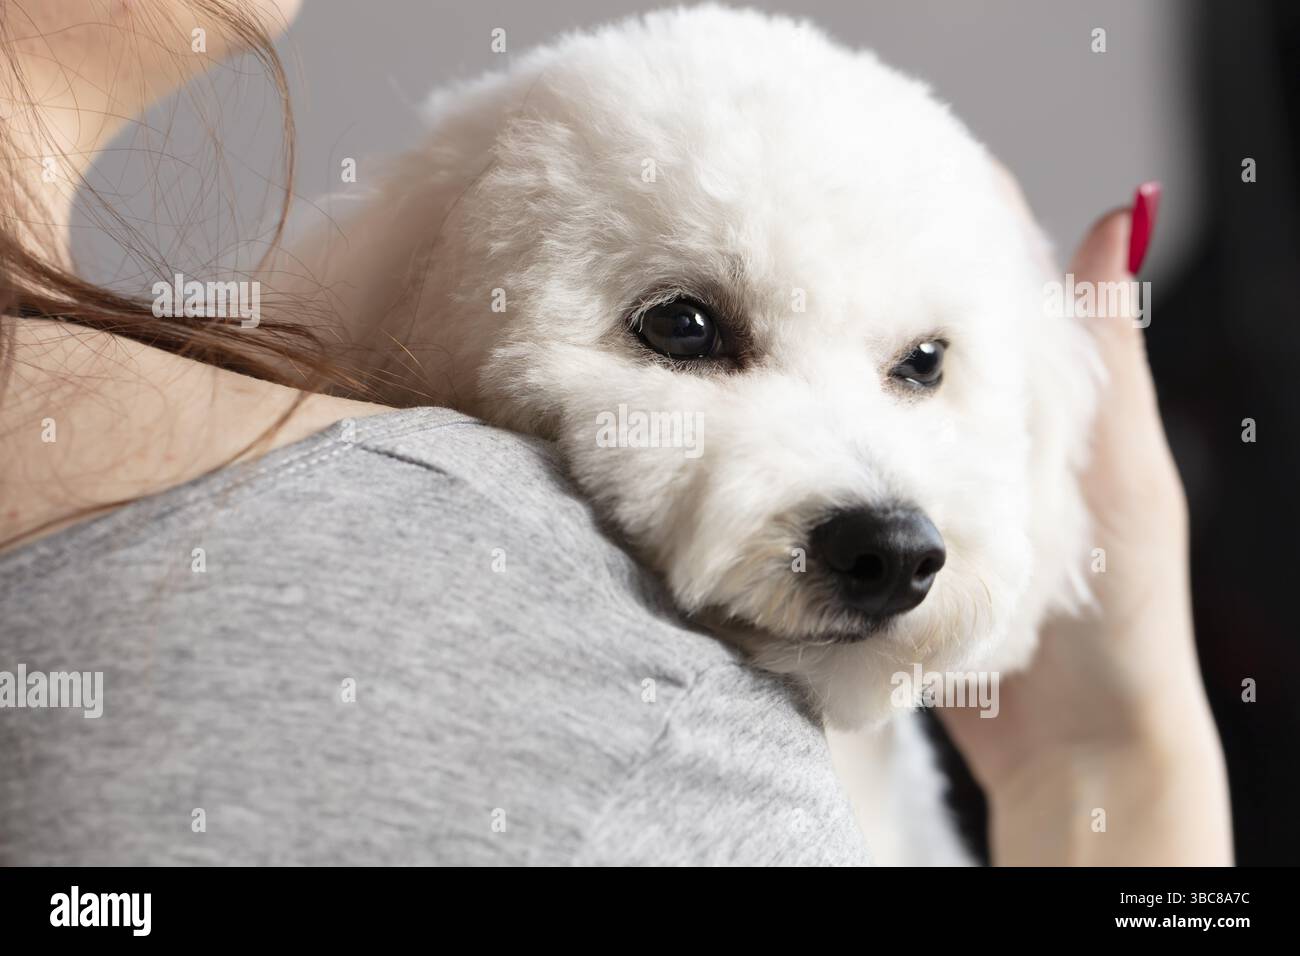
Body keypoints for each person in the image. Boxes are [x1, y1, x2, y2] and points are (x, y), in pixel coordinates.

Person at [0, 0, 1231, 865]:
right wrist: (1117, 768)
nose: (883, 508)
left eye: (918, 366)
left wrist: (1086, 752)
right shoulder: (589, 704)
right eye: (685, 329)